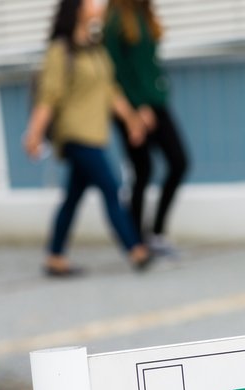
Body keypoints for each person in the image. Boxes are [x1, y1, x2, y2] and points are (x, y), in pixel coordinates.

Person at [24, 0, 151, 276]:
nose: (98, 5)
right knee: (110, 187)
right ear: (77, 8)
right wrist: (34, 133)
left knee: (72, 198)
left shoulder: (95, 48)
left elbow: (110, 91)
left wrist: (131, 120)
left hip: (96, 134)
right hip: (74, 135)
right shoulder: (60, 52)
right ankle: (136, 250)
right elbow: (48, 98)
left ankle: (55, 256)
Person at [104, 0, 190, 256]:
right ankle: (136, 241)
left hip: (157, 103)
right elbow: (116, 72)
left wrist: (158, 94)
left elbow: (149, 65)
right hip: (132, 108)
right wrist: (136, 108)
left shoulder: (145, 16)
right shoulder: (115, 22)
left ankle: (155, 232)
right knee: (142, 170)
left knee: (178, 162)